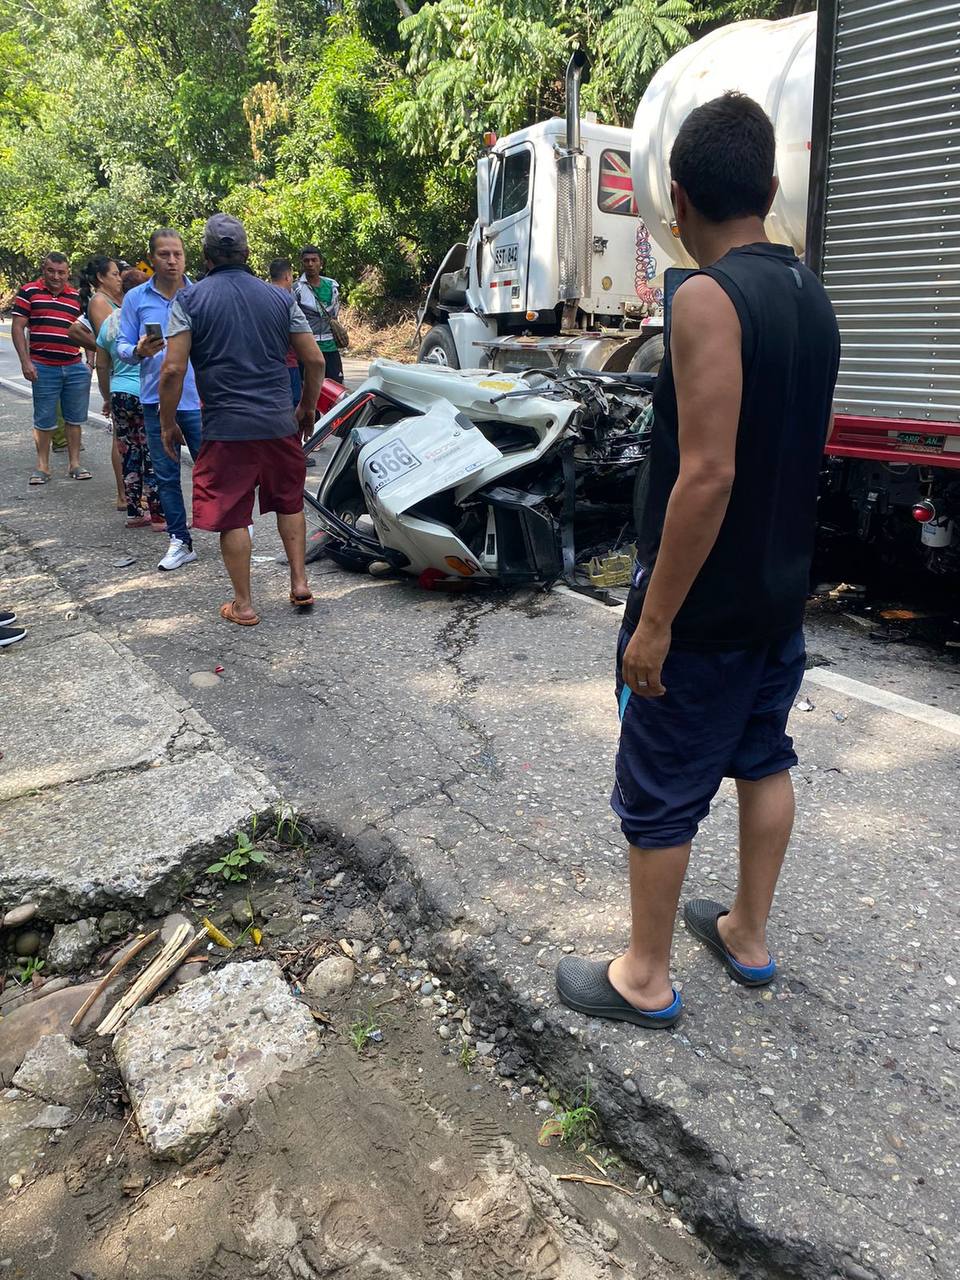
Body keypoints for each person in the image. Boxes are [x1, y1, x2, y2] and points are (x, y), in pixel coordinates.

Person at [555, 93, 840, 1030]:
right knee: (763, 757)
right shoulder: (810, 295)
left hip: (708, 609)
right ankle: (748, 937)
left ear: (676, 199)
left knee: (661, 785)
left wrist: (656, 622)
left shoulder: (708, 299)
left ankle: (644, 974)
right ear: (767, 185)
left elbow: (706, 478)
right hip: (778, 593)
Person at [158, 214, 324, 626]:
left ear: (205, 256)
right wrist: (305, 407)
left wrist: (166, 424)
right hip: (277, 424)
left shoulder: (188, 301)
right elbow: (315, 360)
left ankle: (244, 604)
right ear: (247, 254)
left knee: (233, 514)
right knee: (289, 501)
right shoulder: (281, 298)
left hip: (226, 429)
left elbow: (173, 370)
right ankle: (300, 582)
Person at [118, 229, 202, 571]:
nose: (172, 260)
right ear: (152, 258)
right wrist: (138, 350)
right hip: (155, 400)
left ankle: (234, 531)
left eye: (177, 254)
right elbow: (120, 348)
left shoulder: (198, 294)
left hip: (199, 399)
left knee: (213, 469)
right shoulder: (136, 298)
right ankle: (180, 540)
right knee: (166, 475)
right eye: (164, 254)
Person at [12, 252, 92, 484]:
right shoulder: (29, 292)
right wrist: (26, 362)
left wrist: (90, 362)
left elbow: (87, 329)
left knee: (74, 419)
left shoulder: (77, 296)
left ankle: (75, 464)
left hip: (74, 366)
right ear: (43, 270)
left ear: (68, 273)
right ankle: (42, 467)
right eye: (51, 271)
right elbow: (18, 328)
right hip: (43, 366)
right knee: (44, 419)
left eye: (61, 272)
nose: (56, 276)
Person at [96, 268, 164, 529]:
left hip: (120, 393)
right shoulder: (145, 319)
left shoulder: (110, 322)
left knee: (129, 453)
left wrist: (107, 397)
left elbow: (102, 365)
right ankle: (159, 515)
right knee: (153, 453)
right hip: (146, 393)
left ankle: (135, 511)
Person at [70, 256, 127, 510]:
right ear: (101, 278)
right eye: (114, 273)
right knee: (122, 435)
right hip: (119, 373)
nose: (119, 277)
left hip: (128, 371)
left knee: (132, 436)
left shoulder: (116, 300)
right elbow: (109, 341)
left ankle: (134, 490)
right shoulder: (100, 302)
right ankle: (123, 494)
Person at [294, 246, 343, 385]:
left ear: (321, 263)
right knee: (309, 390)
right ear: (302, 263)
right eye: (306, 261)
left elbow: (335, 314)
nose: (310, 264)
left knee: (335, 390)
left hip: (331, 347)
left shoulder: (332, 286)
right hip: (308, 348)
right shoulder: (296, 289)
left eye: (314, 260)